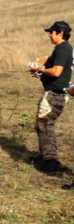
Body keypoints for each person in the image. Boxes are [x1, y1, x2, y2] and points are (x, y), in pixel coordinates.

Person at [29, 21, 72, 173]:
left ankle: (51, 160)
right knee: (41, 125)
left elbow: (56, 72)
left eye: (51, 32)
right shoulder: (61, 49)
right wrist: (40, 72)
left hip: (55, 94)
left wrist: (39, 68)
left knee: (46, 125)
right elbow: (51, 70)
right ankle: (45, 156)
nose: (49, 34)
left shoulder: (63, 49)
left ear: (60, 33)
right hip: (53, 91)